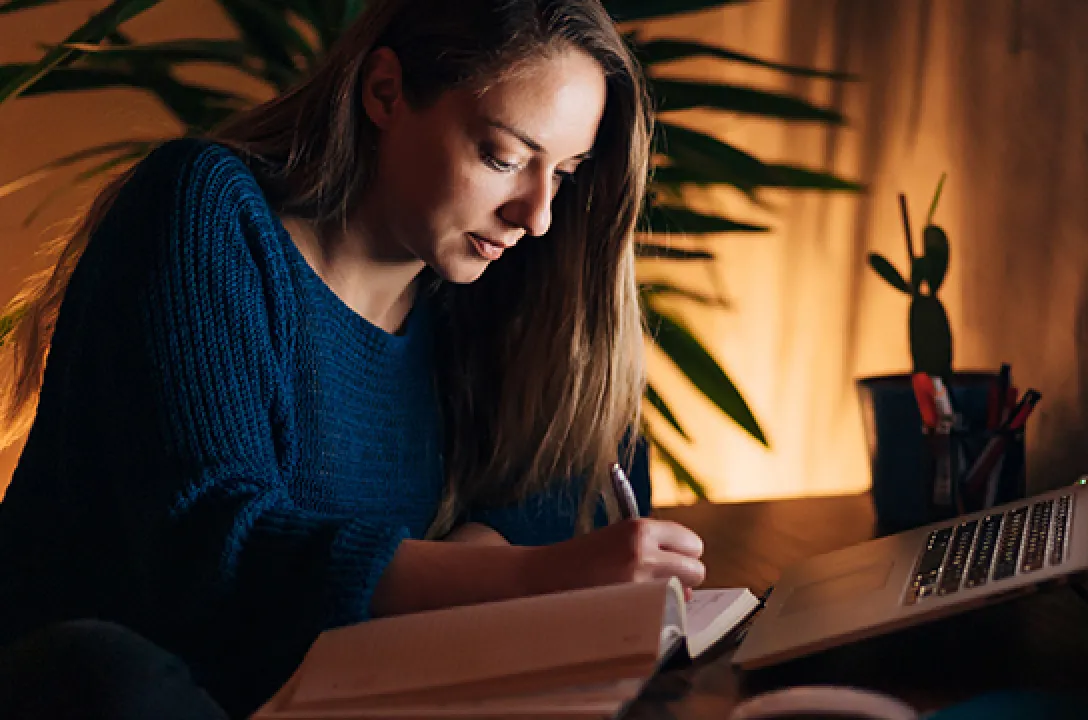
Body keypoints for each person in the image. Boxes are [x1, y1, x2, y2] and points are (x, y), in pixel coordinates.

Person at [0, 0, 706, 717]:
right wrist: (521, 578)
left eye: (565, 173)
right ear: (385, 92)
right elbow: (211, 548)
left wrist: (481, 551)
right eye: (503, 157)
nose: (536, 214)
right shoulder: (204, 210)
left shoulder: (481, 287)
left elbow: (589, 468)